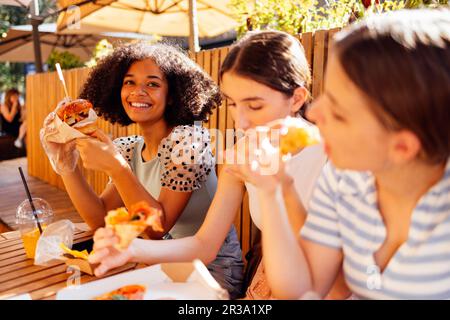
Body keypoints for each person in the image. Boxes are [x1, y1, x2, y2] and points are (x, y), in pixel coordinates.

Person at [89, 30, 329, 299]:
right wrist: (132, 249)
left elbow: (327, 282)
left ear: (296, 98)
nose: (241, 123)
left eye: (255, 106)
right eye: (234, 104)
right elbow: (204, 244)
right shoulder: (241, 157)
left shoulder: (332, 157)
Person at [231, 9, 450, 299]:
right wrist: (276, 189)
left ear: (402, 148)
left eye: (339, 112)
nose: (315, 112)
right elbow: (302, 290)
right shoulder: (344, 177)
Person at [41, 42, 244, 298]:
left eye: (152, 84)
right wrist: (65, 163)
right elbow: (101, 218)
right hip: (159, 268)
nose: (138, 92)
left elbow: (158, 229)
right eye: (129, 82)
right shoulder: (129, 149)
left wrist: (117, 168)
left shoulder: (189, 142)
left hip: (210, 274)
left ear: (172, 95)